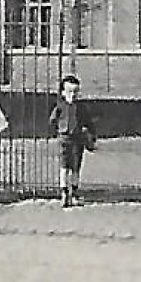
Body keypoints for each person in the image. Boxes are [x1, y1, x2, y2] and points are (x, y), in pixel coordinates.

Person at [48, 74, 95, 208]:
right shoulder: (60, 107)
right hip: (64, 139)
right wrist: (57, 129)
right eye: (69, 91)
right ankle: (63, 192)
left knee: (75, 167)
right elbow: (52, 120)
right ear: (63, 92)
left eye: (75, 92)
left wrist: (91, 135)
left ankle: (74, 192)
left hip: (77, 140)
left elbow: (89, 122)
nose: (73, 95)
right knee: (64, 167)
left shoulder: (81, 108)